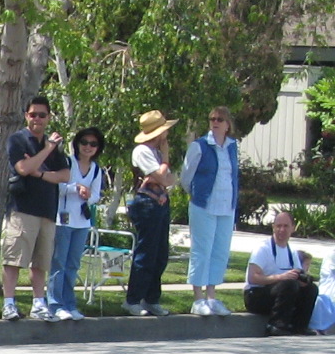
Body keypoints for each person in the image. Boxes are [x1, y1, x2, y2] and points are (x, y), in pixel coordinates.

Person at [2, 95, 70, 321]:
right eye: (33, 115)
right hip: (22, 209)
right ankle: (9, 304)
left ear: (48, 117)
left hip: (47, 211)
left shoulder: (52, 146)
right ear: (26, 116)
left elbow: (65, 175)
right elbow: (22, 168)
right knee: (14, 259)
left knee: (41, 262)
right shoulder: (18, 140)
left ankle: (39, 304)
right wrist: (47, 150)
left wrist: (40, 172)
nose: (37, 119)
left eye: (42, 115)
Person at [182, 106, 239, 315]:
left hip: (226, 206)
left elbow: (233, 175)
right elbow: (186, 178)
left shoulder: (233, 146)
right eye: (212, 118)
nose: (215, 122)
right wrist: (198, 194)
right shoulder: (200, 146)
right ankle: (197, 299)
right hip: (203, 205)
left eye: (220, 119)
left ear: (227, 125)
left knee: (220, 251)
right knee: (201, 250)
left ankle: (211, 297)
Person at [46, 126, 106, 321]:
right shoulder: (68, 163)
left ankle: (70, 304)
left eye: (93, 144)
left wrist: (88, 196)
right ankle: (55, 304)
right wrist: (75, 188)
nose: (88, 147)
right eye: (84, 143)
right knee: (59, 263)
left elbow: (96, 195)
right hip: (63, 220)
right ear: (77, 144)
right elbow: (58, 186)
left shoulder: (97, 170)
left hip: (82, 222)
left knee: (73, 265)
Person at [124, 110, 176, 317]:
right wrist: (165, 160)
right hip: (147, 204)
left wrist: (161, 174)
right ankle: (133, 299)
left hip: (160, 203)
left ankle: (152, 298)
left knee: (160, 254)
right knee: (145, 253)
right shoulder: (142, 152)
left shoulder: (155, 153)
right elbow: (163, 177)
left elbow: (170, 180)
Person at [244, 207, 315, 335]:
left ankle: (299, 326)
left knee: (311, 288)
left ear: (293, 228)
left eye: (286, 226)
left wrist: (303, 281)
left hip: (280, 293)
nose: (282, 230)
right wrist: (280, 277)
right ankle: (276, 325)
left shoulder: (292, 252)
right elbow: (253, 278)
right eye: (278, 226)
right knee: (288, 284)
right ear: (273, 227)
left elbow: (297, 274)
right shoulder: (263, 248)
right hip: (255, 295)